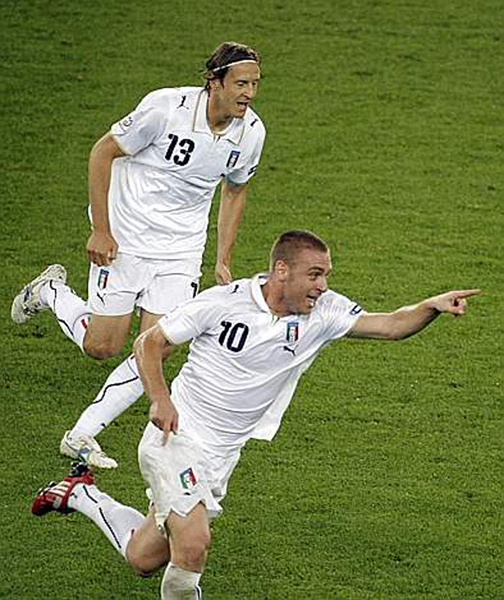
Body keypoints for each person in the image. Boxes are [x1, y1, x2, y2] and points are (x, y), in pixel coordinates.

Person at [31, 230, 480, 599]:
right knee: (193, 546)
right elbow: (149, 343)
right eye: (315, 274)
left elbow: (390, 325)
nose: (322, 286)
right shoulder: (224, 302)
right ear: (281, 270)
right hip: (176, 437)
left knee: (145, 558)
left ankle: (79, 494)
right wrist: (160, 399)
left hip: (222, 455)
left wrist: (431, 307)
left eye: (326, 276)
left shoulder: (322, 312)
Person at [12, 41, 266, 468]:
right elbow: (103, 152)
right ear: (214, 81)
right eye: (241, 83)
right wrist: (101, 228)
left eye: (255, 85)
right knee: (102, 346)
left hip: (180, 249)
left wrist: (222, 257)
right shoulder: (165, 108)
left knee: (157, 346)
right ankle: (51, 291)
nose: (249, 93)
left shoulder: (251, 133)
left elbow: (235, 190)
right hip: (126, 237)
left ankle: (83, 433)